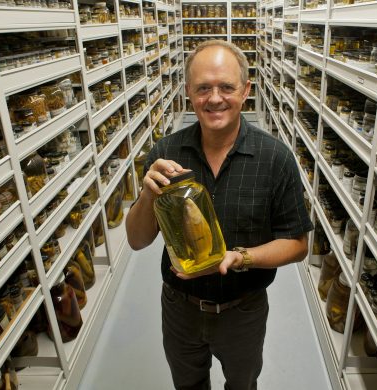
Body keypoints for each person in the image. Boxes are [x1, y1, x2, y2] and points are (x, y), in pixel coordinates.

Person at [125, 40, 313, 390]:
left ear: (246, 91)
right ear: (188, 93)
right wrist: (148, 196)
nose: (214, 99)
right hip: (180, 308)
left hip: (243, 311)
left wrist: (240, 258)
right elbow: (137, 241)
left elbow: (297, 244)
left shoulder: (276, 159)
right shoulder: (165, 153)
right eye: (203, 88)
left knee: (242, 385)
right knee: (188, 385)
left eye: (226, 87)